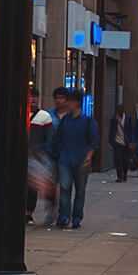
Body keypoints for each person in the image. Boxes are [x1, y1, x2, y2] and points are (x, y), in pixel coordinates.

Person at [46, 88, 95, 229]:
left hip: (81, 160)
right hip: (65, 159)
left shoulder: (87, 121)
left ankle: (76, 217)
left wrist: (88, 157)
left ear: (77, 103)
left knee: (80, 190)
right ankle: (64, 216)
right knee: (65, 188)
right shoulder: (65, 121)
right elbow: (58, 139)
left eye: (71, 101)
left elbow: (93, 141)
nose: (68, 104)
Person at [28, 106, 55, 224]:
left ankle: (31, 211)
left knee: (38, 184)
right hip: (29, 155)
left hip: (39, 155)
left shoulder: (44, 116)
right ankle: (28, 212)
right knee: (32, 185)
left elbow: (49, 138)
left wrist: (42, 151)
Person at [111, 110, 134, 182]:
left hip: (126, 143)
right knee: (118, 160)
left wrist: (131, 141)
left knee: (125, 160)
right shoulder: (114, 119)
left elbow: (131, 130)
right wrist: (111, 141)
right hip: (117, 142)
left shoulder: (128, 118)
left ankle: (124, 174)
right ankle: (119, 177)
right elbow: (111, 131)